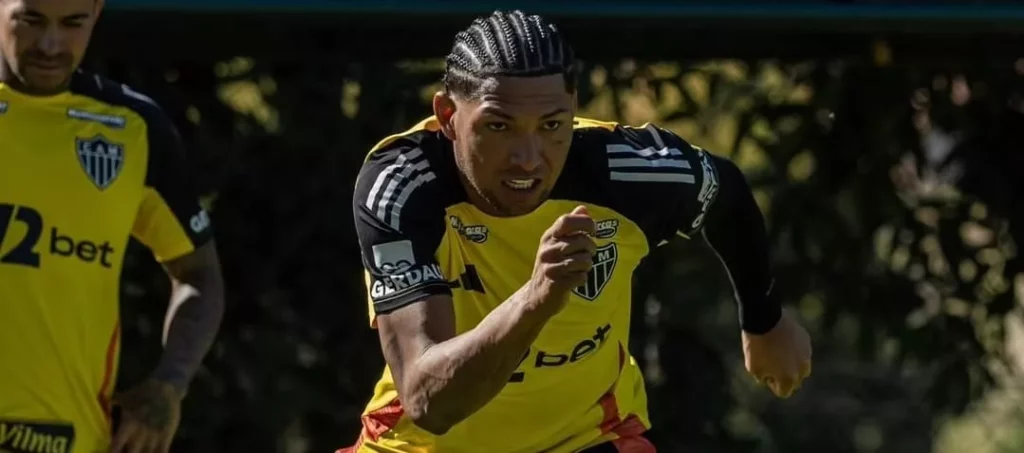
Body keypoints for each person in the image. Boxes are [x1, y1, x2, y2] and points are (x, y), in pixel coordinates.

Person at [344, 10, 812, 453]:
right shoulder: (403, 186)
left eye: (552, 125)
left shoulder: (625, 173)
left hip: (589, 437)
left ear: (572, 108)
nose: (529, 157)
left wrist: (764, 317)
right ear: (448, 116)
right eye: (499, 126)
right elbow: (429, 400)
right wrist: (536, 299)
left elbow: (723, 190)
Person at [0, 1, 225, 452]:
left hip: (65, 439)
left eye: (72, 24)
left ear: (96, 14)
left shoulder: (133, 128)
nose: (50, 44)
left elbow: (198, 273)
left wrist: (168, 384)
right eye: (30, 20)